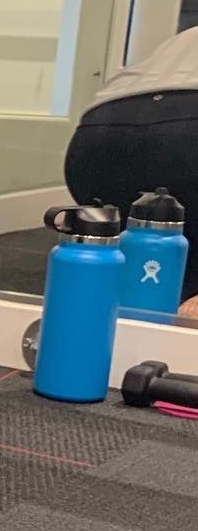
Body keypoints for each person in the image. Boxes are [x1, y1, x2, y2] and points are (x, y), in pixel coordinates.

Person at [65, 26, 198, 315]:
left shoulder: (186, 37)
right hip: (188, 132)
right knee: (172, 268)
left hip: (101, 130)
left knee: (146, 265)